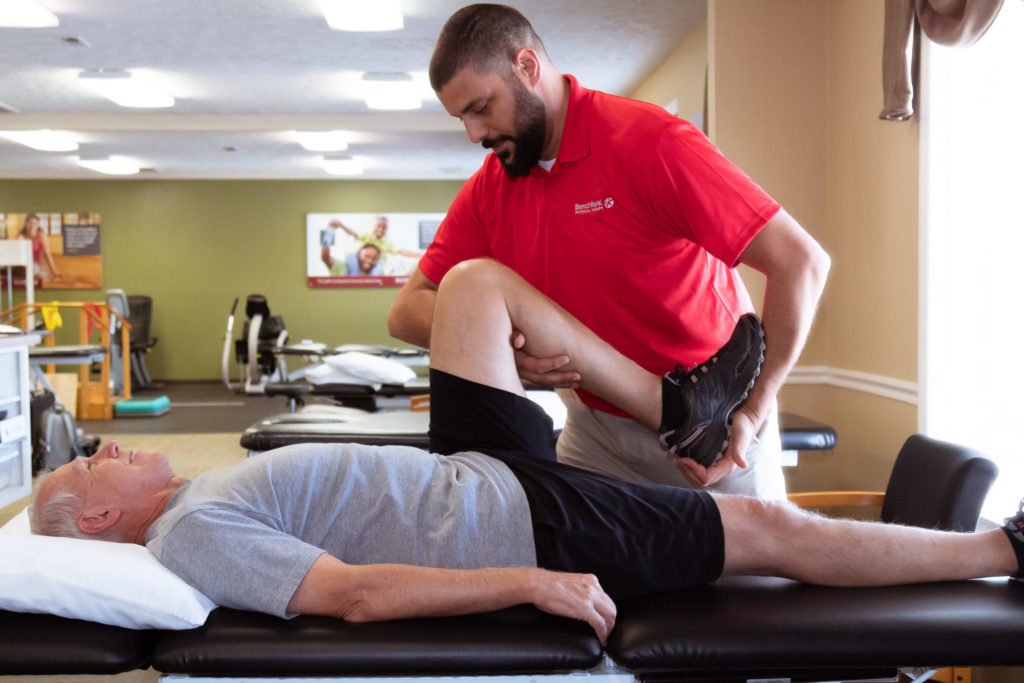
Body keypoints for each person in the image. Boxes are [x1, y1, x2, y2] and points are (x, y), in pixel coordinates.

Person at [29, 259, 1024, 644]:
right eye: (93, 462)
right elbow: (355, 594)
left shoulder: (197, 493)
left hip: (472, 467)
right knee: (765, 522)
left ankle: (679, 403)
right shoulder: (192, 533)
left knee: (471, 287)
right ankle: (1000, 551)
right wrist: (530, 582)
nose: (108, 443)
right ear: (107, 517)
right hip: (515, 518)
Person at [388, 4, 831, 499]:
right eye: (461, 118)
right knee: (582, 575)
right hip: (594, 432)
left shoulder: (651, 142)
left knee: (756, 576)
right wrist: (507, 340)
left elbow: (801, 261)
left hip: (716, 430)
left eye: (481, 107)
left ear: (527, 67)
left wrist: (755, 409)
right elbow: (407, 310)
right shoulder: (491, 188)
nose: (475, 135)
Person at [18, 214, 61, 281]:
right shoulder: (21, 236)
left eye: (34, 223)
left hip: (33, 265)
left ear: (38, 225)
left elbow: (47, 254)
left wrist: (53, 271)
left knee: (33, 270)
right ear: (25, 224)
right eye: (29, 223)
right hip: (20, 264)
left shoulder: (41, 236)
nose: (32, 225)